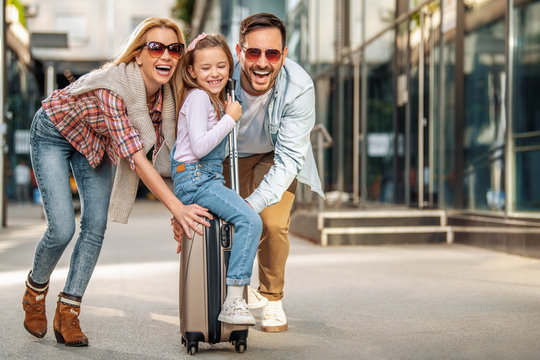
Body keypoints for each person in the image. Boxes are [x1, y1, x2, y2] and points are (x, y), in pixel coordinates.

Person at [22, 16, 212, 347]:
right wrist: (177, 208)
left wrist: (178, 208)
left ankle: (68, 312)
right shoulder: (115, 87)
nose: (165, 56)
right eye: (155, 47)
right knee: (62, 228)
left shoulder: (167, 97)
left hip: (93, 144)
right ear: (138, 54)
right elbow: (138, 160)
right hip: (54, 131)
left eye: (174, 48)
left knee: (95, 226)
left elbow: (170, 157)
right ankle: (34, 293)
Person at [172, 13, 324, 332]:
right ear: (240, 52)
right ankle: (229, 293)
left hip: (275, 153)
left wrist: (248, 207)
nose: (262, 63)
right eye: (253, 53)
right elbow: (190, 139)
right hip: (226, 154)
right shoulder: (219, 75)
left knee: (271, 221)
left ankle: (270, 297)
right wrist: (178, 205)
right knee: (215, 220)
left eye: (272, 54)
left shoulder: (299, 87)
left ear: (283, 54)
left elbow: (288, 159)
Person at [170, 33, 262, 325]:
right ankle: (234, 299)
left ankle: (239, 281)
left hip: (202, 178)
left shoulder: (212, 99)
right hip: (197, 178)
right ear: (192, 71)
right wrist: (230, 118)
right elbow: (199, 146)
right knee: (250, 220)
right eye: (206, 67)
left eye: (221, 66)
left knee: (240, 219)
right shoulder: (198, 97)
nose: (214, 73)